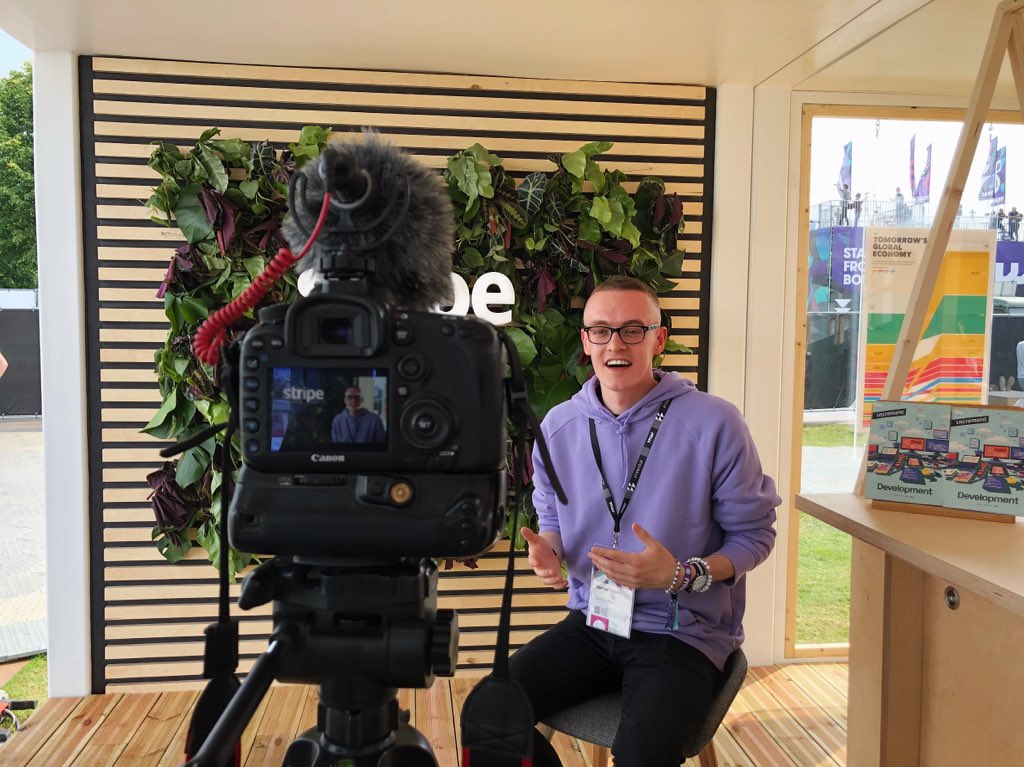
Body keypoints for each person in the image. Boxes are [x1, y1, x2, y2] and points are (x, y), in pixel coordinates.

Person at [509, 276, 779, 767]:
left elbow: (755, 534)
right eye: (601, 330)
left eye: (633, 329)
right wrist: (549, 547)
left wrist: (680, 574)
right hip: (593, 621)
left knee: (641, 754)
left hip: (681, 631)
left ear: (659, 338)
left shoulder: (715, 422)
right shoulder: (558, 426)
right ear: (585, 341)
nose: (616, 343)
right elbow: (551, 511)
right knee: (489, 713)